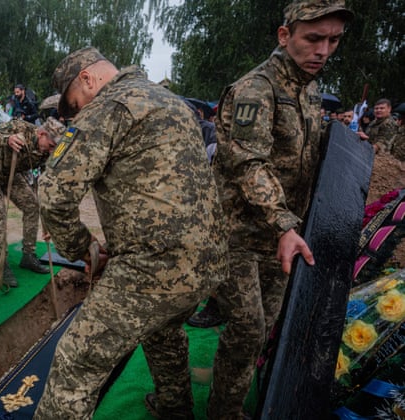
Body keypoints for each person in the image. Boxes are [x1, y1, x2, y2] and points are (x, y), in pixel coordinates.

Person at [33, 46, 228, 419]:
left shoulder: (110, 106)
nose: (75, 114)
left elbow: (54, 194)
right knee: (164, 332)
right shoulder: (170, 100)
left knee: (77, 361)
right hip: (207, 261)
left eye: (73, 105)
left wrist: (83, 248)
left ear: (87, 79)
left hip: (154, 266)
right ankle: (175, 408)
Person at [208, 1, 353, 418]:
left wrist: (344, 146)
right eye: (313, 38)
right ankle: (224, 412)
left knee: (265, 327)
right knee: (247, 329)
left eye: (334, 40)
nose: (323, 50)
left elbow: (299, 154)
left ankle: (237, 401)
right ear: (284, 36)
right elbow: (248, 162)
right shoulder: (255, 88)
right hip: (235, 235)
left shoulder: (308, 90)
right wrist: (287, 224)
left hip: (279, 239)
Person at [0, 117, 66, 287]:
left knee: (32, 206)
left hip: (12, 173)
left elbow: (47, 181)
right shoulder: (19, 127)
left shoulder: (48, 152)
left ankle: (28, 255)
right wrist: (6, 139)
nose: (52, 152)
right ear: (42, 133)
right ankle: (2, 263)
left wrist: (49, 220)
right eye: (51, 146)